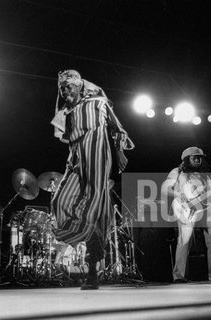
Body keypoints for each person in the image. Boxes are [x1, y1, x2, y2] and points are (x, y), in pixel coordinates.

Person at [51, 70, 134, 289]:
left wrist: (120, 152)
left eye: (69, 86)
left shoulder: (98, 103)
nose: (66, 91)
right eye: (62, 88)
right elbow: (68, 139)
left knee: (94, 210)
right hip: (77, 162)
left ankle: (92, 274)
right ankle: (79, 232)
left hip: (97, 161)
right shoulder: (65, 112)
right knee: (58, 200)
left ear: (79, 86)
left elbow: (116, 128)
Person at [162, 147, 211, 282]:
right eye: (194, 157)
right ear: (186, 159)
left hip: (206, 210)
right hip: (186, 209)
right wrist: (180, 195)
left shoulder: (205, 174)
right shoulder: (177, 171)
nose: (198, 159)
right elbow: (166, 188)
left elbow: (209, 194)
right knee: (184, 242)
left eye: (200, 157)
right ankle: (179, 277)